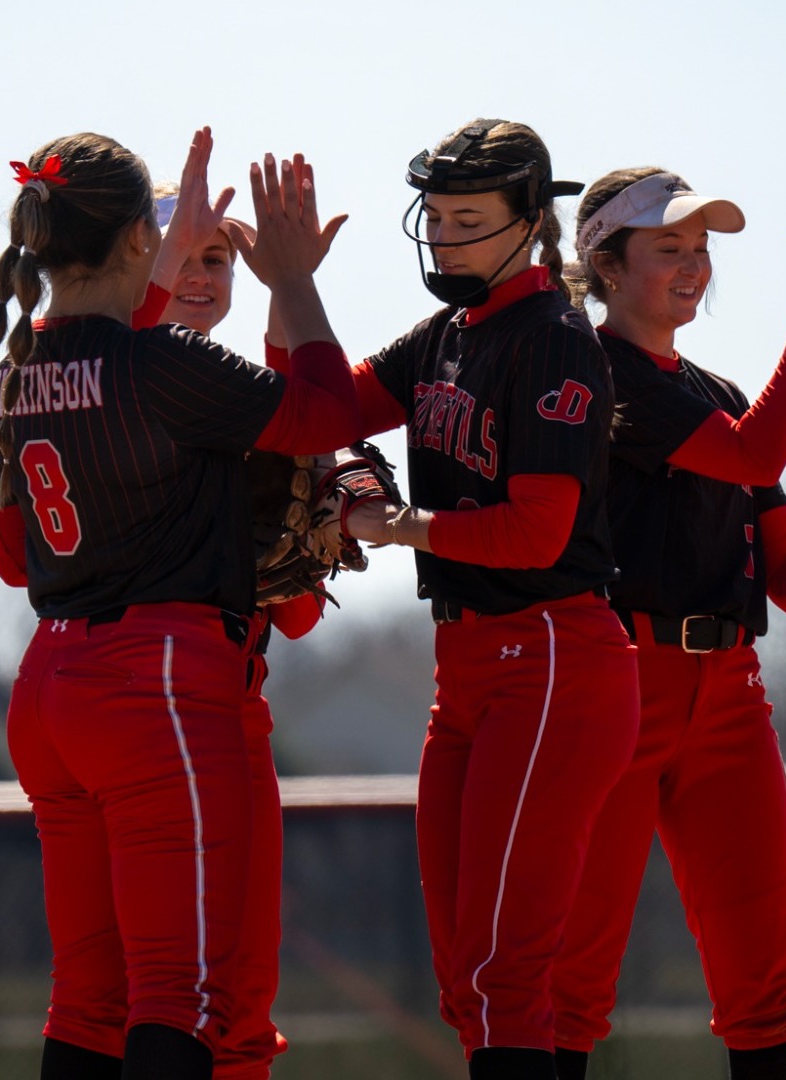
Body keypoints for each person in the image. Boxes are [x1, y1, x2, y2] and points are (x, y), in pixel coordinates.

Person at [0, 127, 357, 1080]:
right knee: (182, 995)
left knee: (89, 1000)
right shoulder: (168, 366)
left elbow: (16, 562)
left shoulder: (12, 372)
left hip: (49, 686)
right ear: (144, 241)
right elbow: (329, 415)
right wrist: (293, 284)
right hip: (158, 688)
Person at [312, 118, 642, 1080]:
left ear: (531, 222)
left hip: (550, 658)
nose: (445, 236)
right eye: (438, 215)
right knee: (467, 980)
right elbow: (323, 411)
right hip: (470, 667)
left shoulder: (552, 341)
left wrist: (401, 524)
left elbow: (538, 530)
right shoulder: (450, 334)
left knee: (506, 972)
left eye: (468, 218)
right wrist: (294, 283)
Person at [545, 166, 786, 1080]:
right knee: (571, 987)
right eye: (668, 248)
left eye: (701, 248)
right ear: (604, 265)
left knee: (765, 985)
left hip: (730, 698)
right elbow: (760, 450)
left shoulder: (719, 394)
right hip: (619, 690)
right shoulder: (596, 373)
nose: (694, 266)